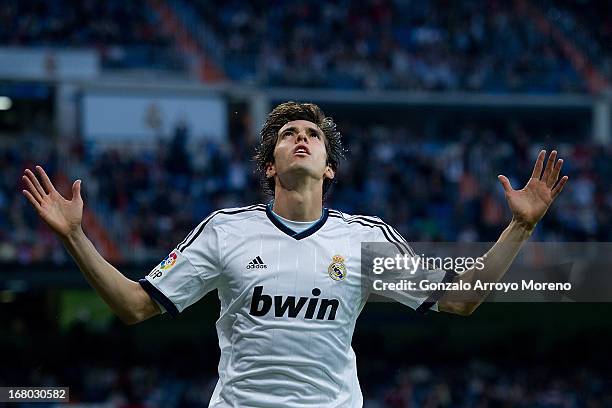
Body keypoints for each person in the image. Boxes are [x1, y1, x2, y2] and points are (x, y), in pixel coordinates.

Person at [21, 102, 568, 407]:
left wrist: (520, 227)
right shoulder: (225, 232)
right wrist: (74, 236)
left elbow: (461, 301)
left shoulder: (364, 239)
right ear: (270, 164)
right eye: (287, 134)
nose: (300, 138)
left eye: (312, 135)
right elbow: (135, 306)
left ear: (329, 166)